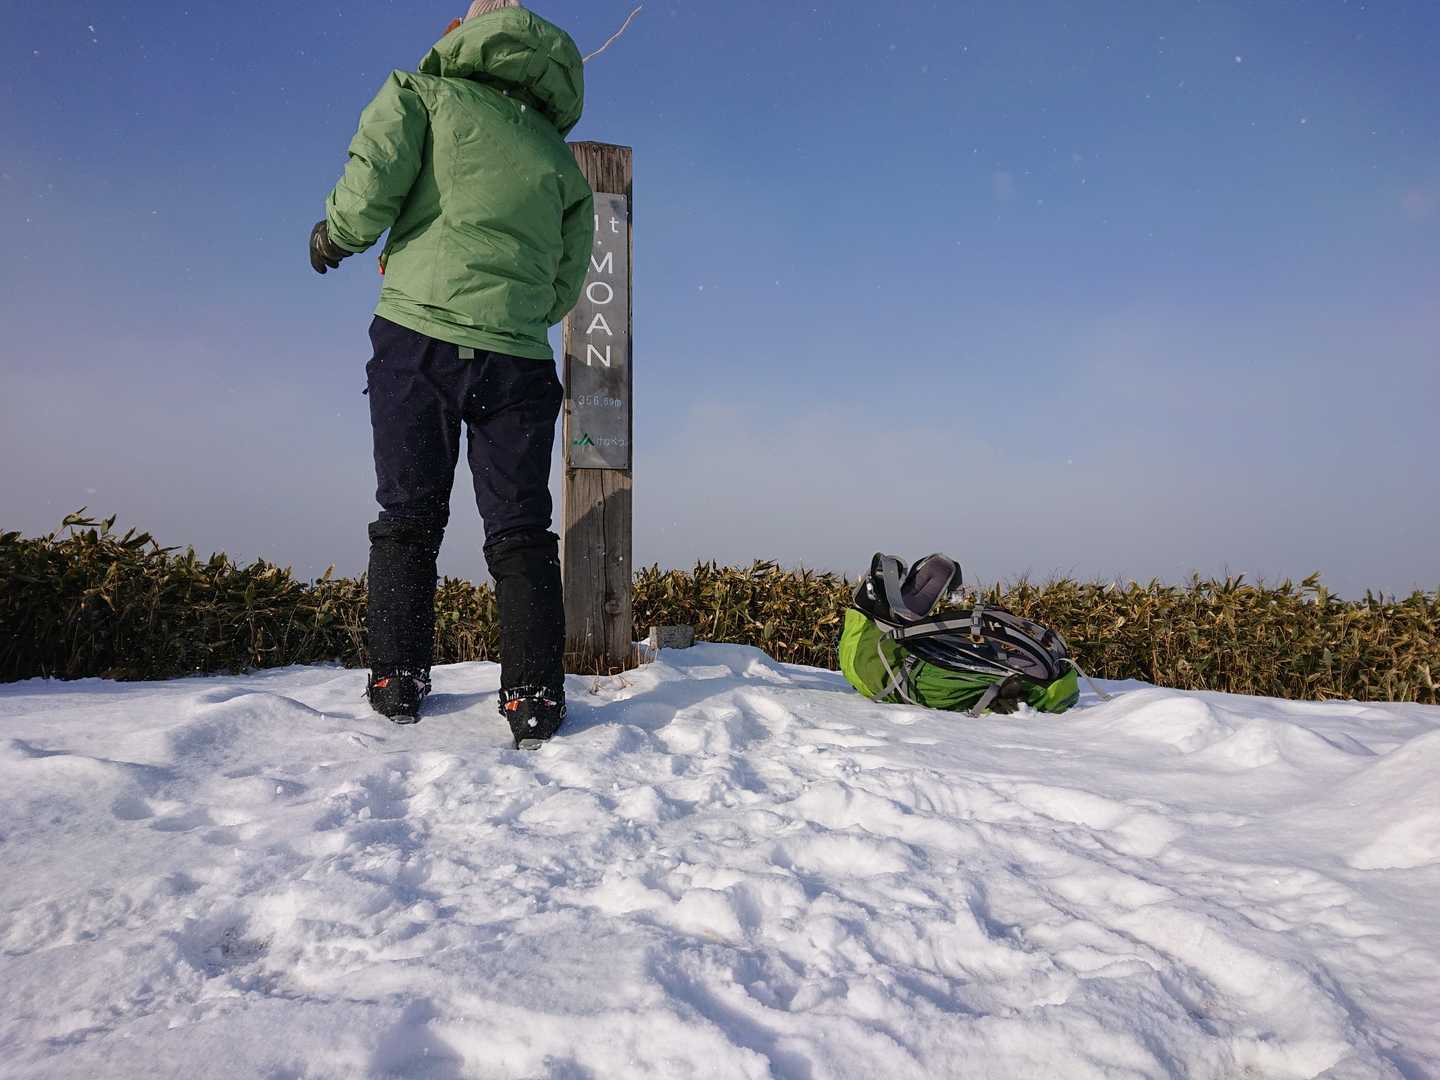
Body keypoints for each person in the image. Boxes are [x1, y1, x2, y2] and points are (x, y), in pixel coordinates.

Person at [310, 0, 594, 746]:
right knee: (521, 529)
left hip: (420, 339)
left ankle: (398, 678)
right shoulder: (559, 158)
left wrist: (333, 236)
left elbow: (372, 186)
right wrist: (514, 311)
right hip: (519, 357)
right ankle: (533, 695)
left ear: (463, 34)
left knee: (408, 517)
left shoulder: (422, 94)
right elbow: (566, 282)